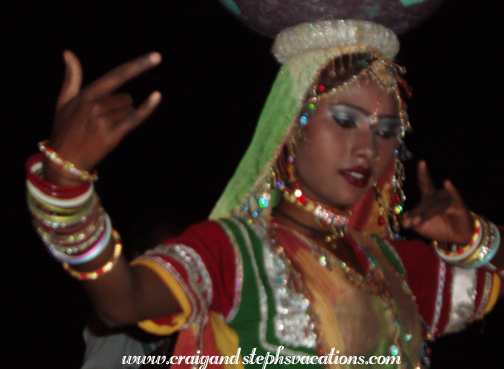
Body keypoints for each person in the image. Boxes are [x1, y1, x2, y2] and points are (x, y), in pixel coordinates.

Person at [26, 20, 503, 368]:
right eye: (344, 120)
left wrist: (477, 239)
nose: (367, 148)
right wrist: (66, 189)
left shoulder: (396, 266)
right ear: (289, 127)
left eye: (385, 130)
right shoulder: (233, 251)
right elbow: (122, 302)